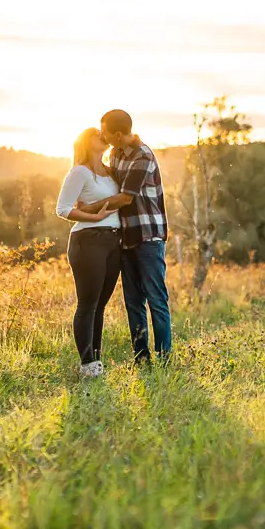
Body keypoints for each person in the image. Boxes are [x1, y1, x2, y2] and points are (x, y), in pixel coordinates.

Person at [100, 108, 172, 363]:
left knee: (156, 299)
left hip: (148, 237)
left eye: (106, 132)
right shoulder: (115, 153)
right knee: (133, 302)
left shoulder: (143, 155)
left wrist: (88, 208)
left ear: (118, 134)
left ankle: (164, 359)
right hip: (127, 237)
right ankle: (141, 359)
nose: (103, 136)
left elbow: (125, 197)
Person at [55, 127, 126, 377]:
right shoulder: (79, 172)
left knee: (101, 305)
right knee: (88, 304)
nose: (103, 135)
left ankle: (96, 362)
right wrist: (94, 216)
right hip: (88, 240)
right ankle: (87, 364)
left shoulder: (111, 171)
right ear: (87, 141)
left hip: (113, 241)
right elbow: (63, 209)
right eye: (97, 133)